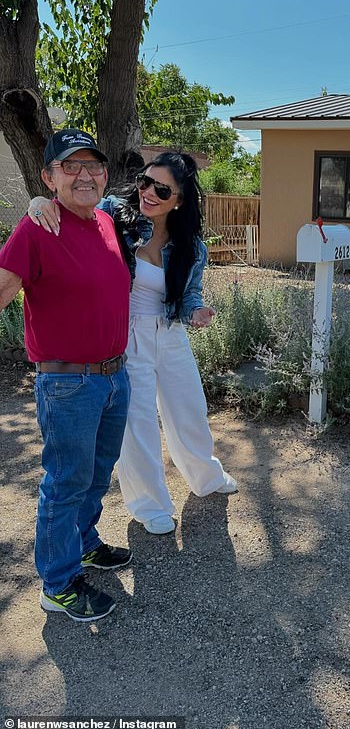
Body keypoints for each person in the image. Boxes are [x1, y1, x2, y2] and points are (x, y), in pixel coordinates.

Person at [29, 151, 237, 538]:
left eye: (162, 188)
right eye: (145, 181)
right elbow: (71, 205)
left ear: (180, 199)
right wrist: (39, 203)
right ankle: (150, 504)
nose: (148, 192)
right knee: (138, 422)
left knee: (189, 409)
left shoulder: (192, 246)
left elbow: (189, 294)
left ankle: (206, 476)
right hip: (128, 335)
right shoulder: (114, 214)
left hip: (170, 332)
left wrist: (196, 312)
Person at [0, 128, 132, 622]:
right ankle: (57, 583)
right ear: (49, 176)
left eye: (92, 166)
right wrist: (34, 205)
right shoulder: (35, 228)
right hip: (68, 383)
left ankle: (85, 542)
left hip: (114, 376)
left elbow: (164, 209)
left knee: (97, 473)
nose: (84, 175)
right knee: (66, 480)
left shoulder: (105, 220)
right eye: (70, 167)